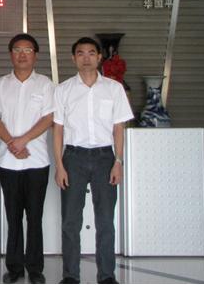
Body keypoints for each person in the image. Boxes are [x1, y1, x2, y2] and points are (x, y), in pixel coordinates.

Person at [53, 37, 133, 284]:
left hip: (104, 158)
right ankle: (70, 275)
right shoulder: (63, 90)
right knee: (70, 221)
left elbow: (118, 128)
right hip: (73, 157)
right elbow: (58, 130)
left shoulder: (113, 89)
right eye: (80, 53)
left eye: (91, 53)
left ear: (99, 57)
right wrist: (59, 166)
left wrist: (118, 161)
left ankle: (106, 275)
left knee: (105, 220)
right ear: (73, 58)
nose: (86, 58)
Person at [0, 34, 55, 284]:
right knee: (13, 216)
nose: (22, 54)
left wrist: (23, 140)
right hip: (8, 162)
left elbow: (49, 118)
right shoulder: (1, 84)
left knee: (34, 216)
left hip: (37, 161)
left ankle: (35, 268)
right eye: (17, 50)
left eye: (27, 50)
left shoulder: (45, 84)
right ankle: (14, 267)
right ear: (11, 55)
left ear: (35, 55)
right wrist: (12, 143)